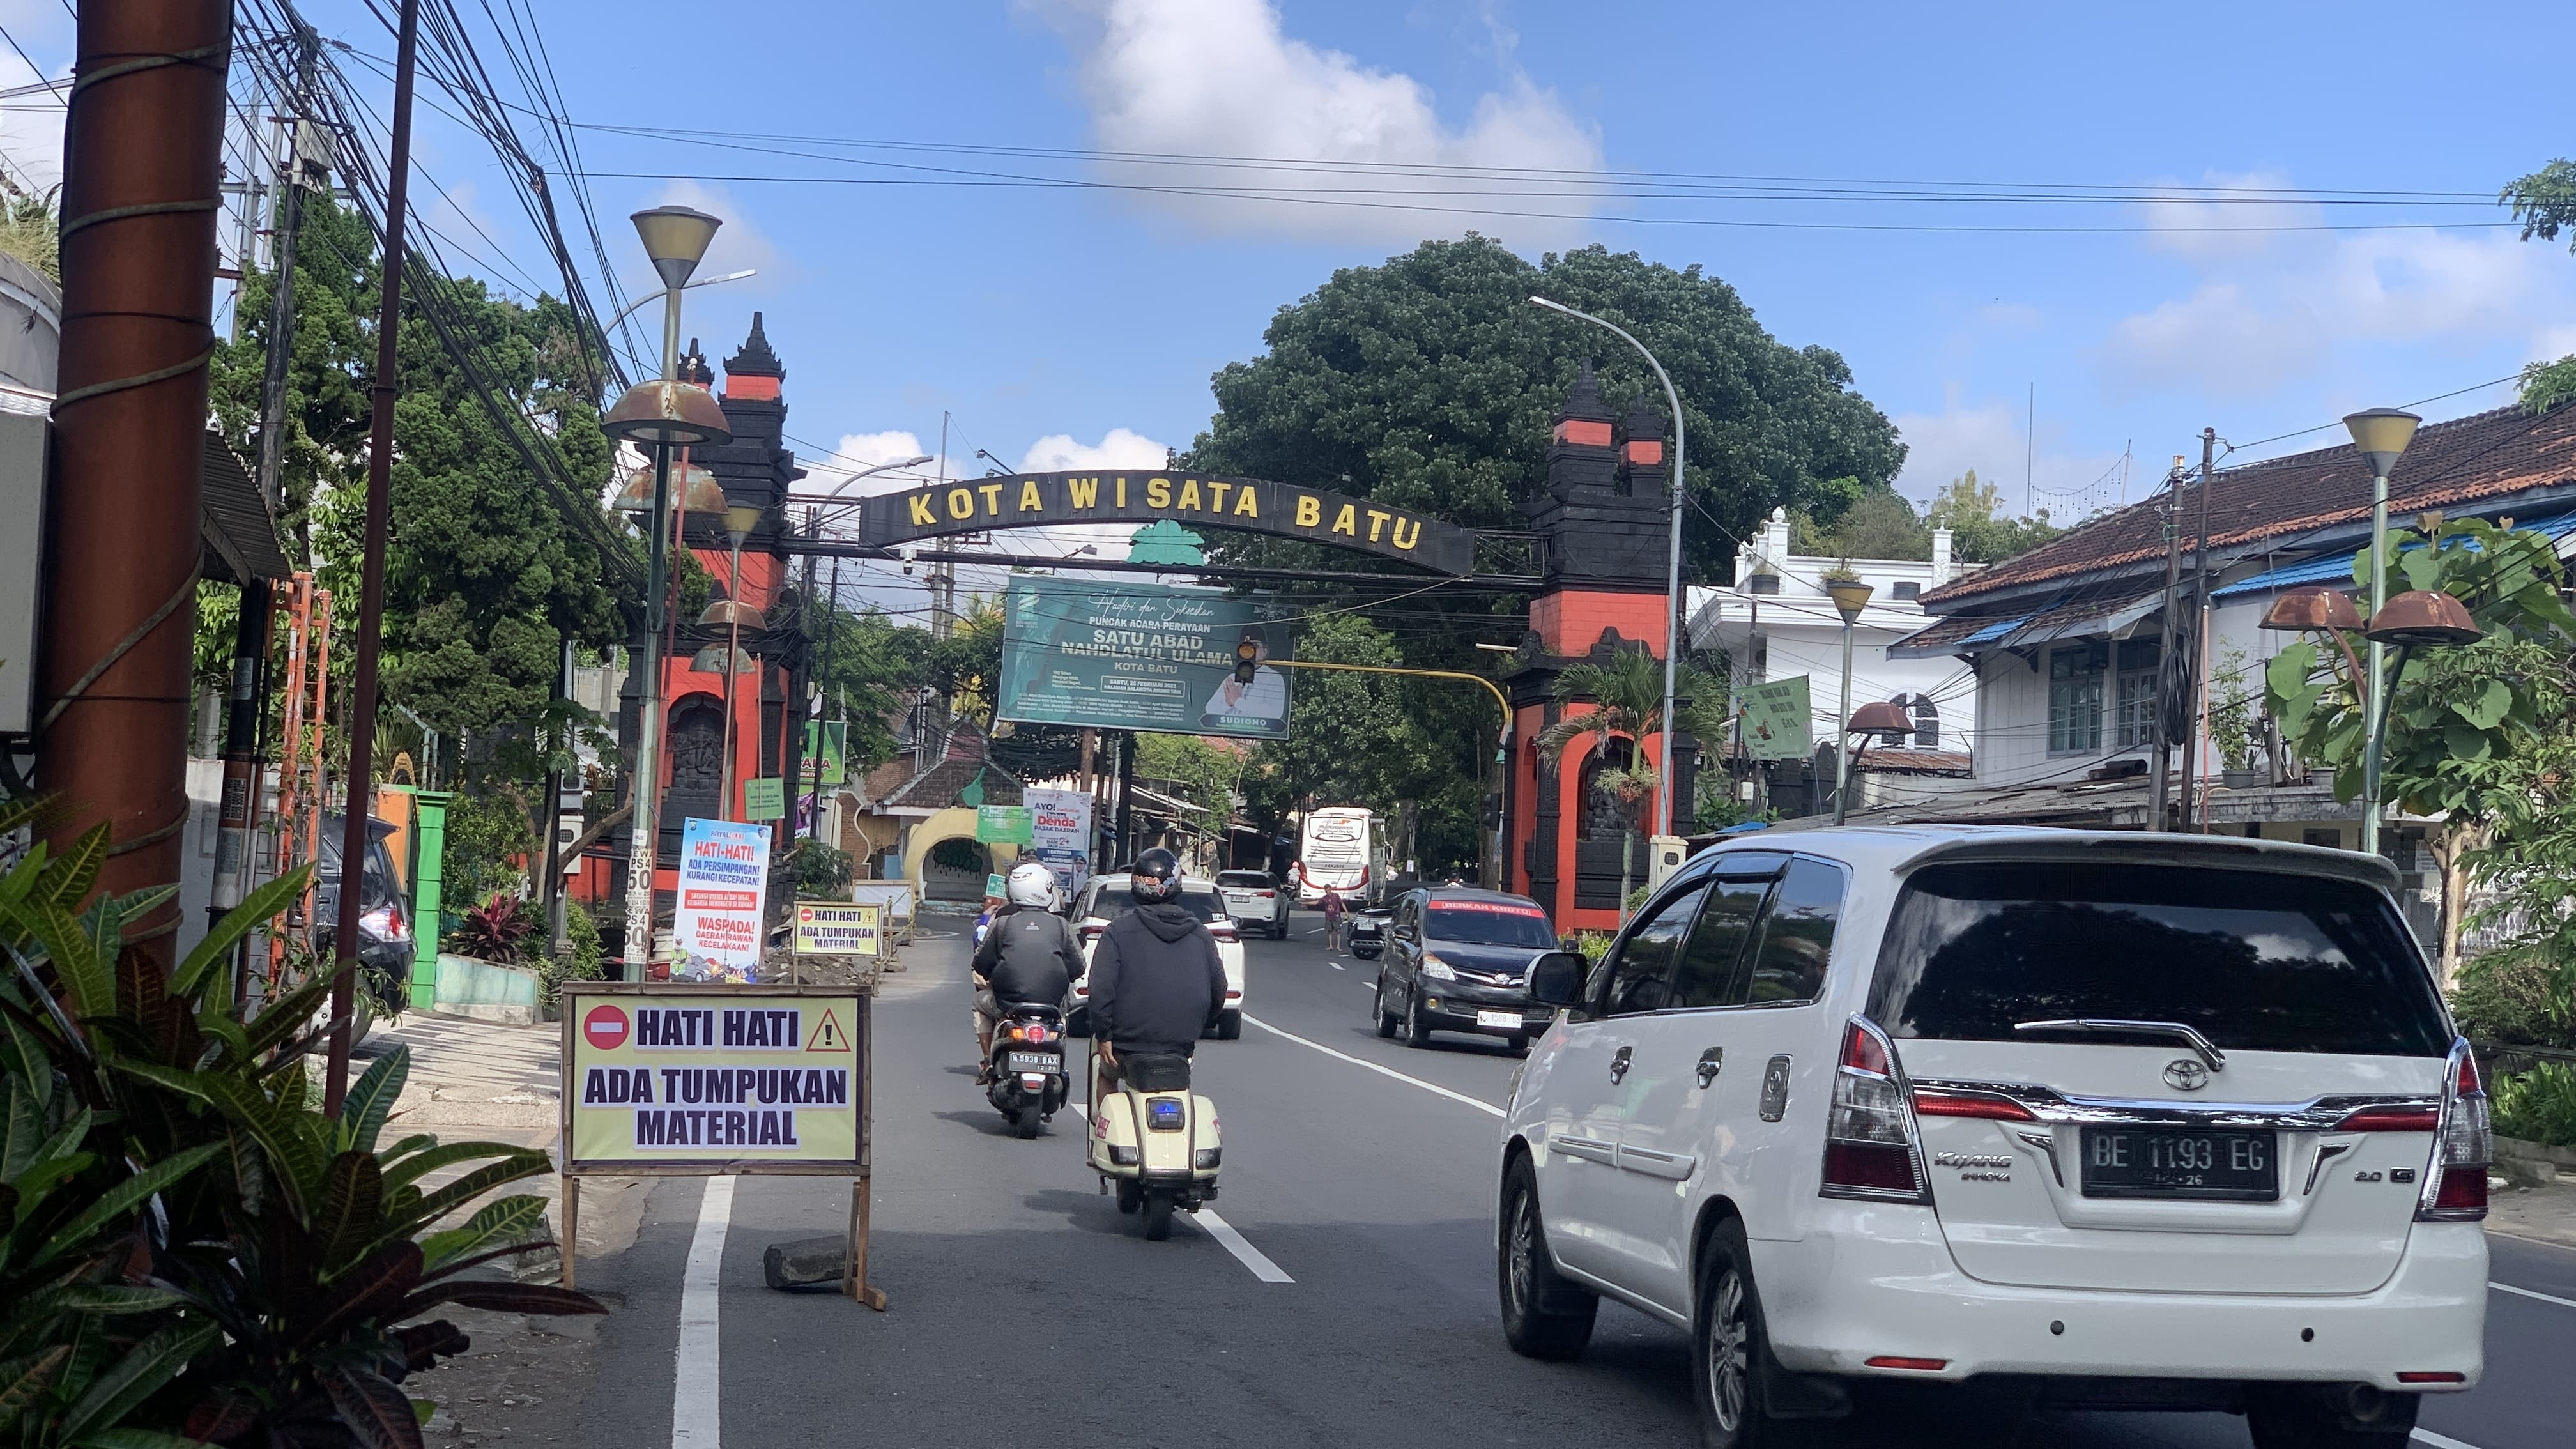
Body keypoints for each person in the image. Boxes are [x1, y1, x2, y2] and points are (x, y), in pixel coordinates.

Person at [1087, 847, 1227, 1085]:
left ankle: (1103, 1123)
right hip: (1180, 1045)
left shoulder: (1118, 931)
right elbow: (1219, 991)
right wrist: (1194, 1026)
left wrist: (1104, 1035)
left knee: (1105, 1075)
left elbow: (1101, 990)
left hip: (1126, 1044)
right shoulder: (1201, 934)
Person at [970, 862, 1084, 1085]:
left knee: (978, 1002)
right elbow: (1078, 967)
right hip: (1051, 1006)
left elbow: (981, 964)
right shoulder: (1061, 925)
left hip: (1007, 1004)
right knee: (1062, 1021)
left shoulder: (1003, 923)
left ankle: (988, 1060)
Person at [1321, 884, 1347, 953]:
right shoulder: (1324, 898)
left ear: (1331, 889)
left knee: (1338, 930)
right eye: (1326, 890)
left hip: (1336, 916)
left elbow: (1342, 903)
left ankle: (1338, 946)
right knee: (1330, 931)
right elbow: (1316, 902)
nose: (1328, 891)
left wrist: (1346, 912)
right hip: (1329, 916)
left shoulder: (1336, 896)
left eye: (1329, 889)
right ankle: (1331, 946)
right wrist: (1305, 902)